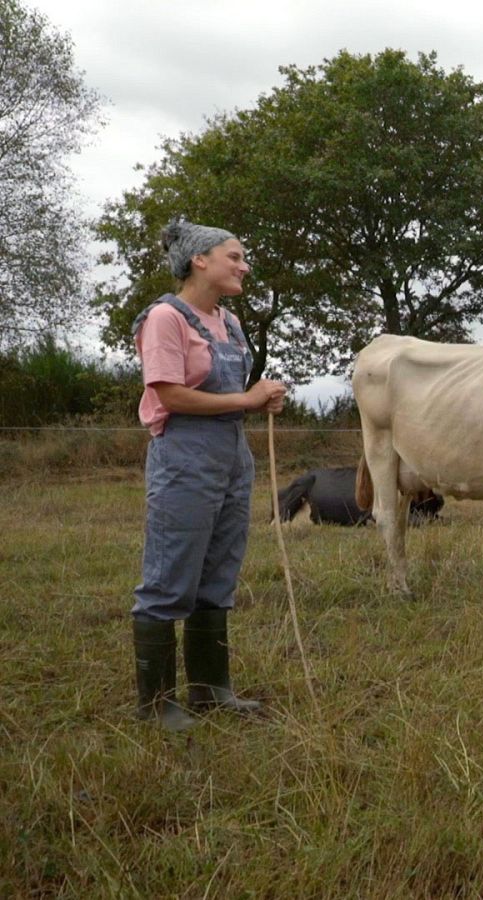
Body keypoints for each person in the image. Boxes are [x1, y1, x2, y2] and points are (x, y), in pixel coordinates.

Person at [129, 219, 286, 730]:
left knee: (218, 573)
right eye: (234, 257)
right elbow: (169, 394)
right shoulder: (165, 318)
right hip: (185, 455)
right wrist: (247, 399)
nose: (244, 266)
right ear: (200, 260)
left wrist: (263, 398)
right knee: (170, 574)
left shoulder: (230, 322)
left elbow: (236, 396)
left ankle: (210, 691)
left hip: (232, 454)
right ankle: (157, 705)